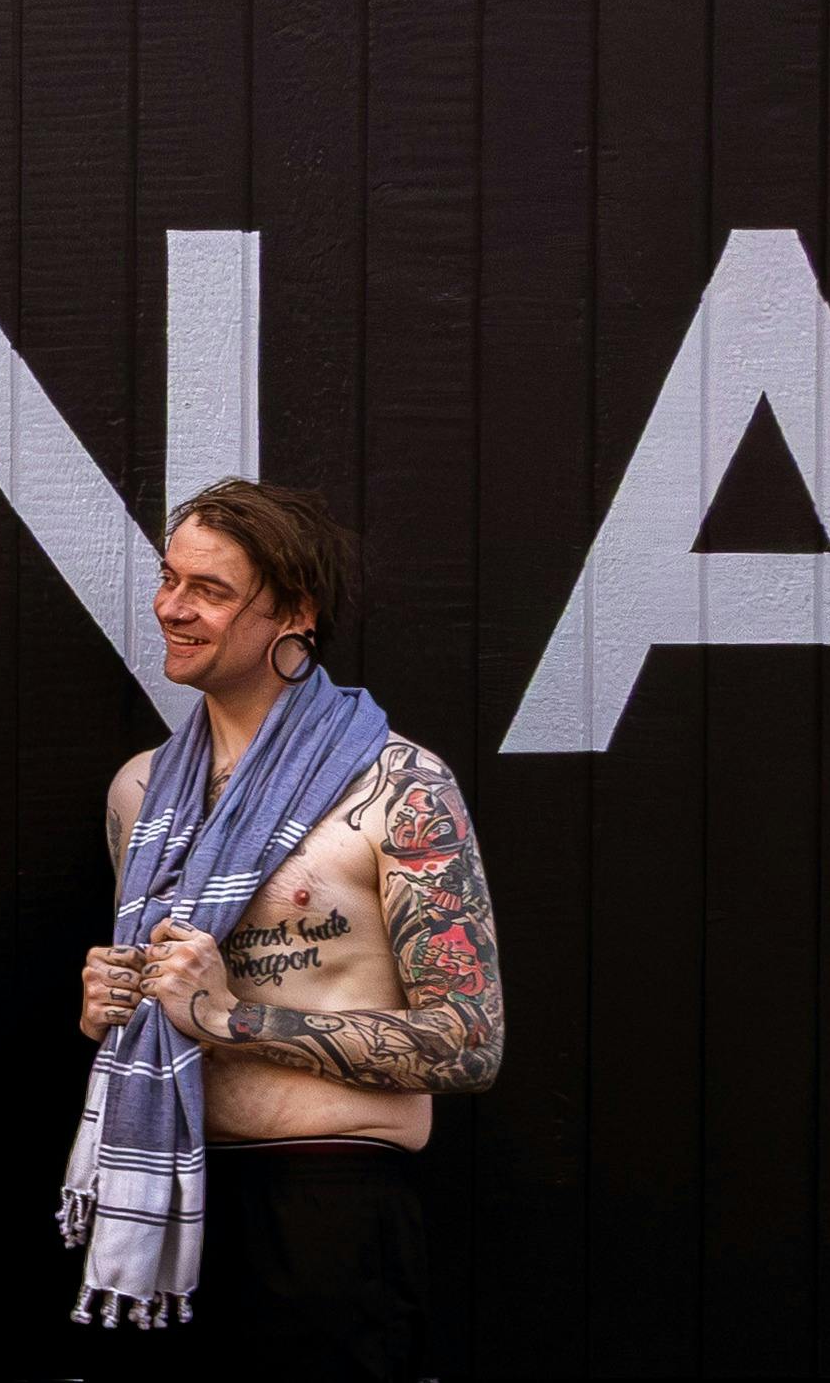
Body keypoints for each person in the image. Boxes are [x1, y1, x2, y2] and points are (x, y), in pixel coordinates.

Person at [64, 478, 506, 1381]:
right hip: (159, 1200)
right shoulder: (139, 791)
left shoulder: (398, 787)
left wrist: (232, 1018)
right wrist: (113, 999)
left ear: (293, 615)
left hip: (326, 1212)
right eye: (169, 578)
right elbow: (163, 996)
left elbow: (469, 1043)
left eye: (210, 592)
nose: (172, 609)